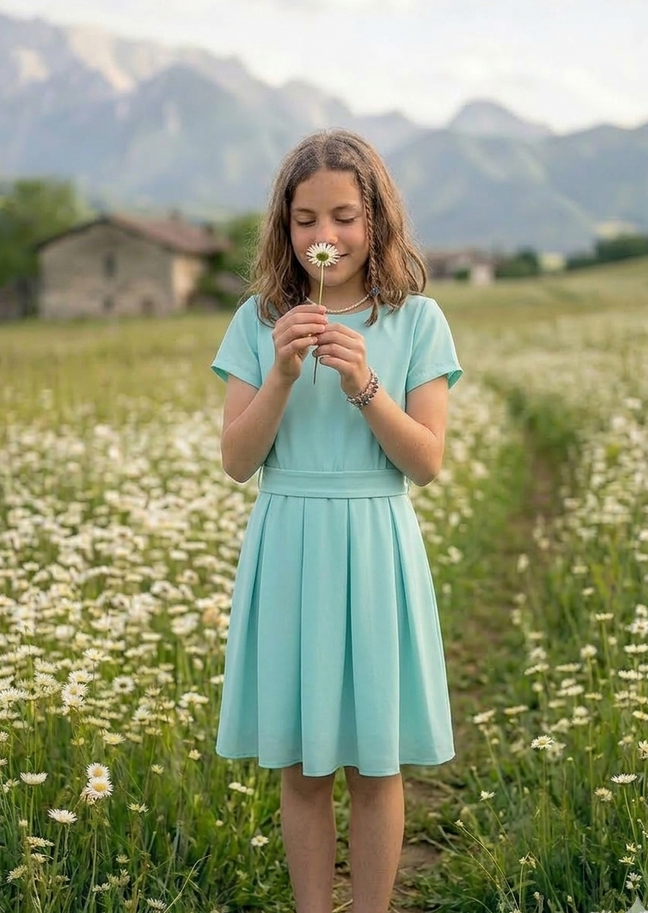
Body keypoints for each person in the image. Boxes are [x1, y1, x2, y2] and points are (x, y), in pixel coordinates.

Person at [211, 128, 462, 913]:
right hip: (289, 545)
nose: (326, 236)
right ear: (284, 227)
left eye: (345, 217)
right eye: (306, 219)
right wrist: (282, 373)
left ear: (376, 219)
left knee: (376, 762)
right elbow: (238, 459)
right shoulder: (258, 320)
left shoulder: (418, 320)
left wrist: (363, 385)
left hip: (375, 544)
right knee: (302, 766)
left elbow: (425, 461)